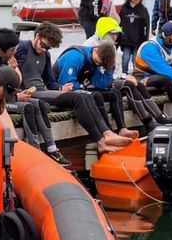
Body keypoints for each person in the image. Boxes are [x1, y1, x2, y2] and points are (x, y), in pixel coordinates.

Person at [14, 22, 131, 155]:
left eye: (49, 48)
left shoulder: (45, 55)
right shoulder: (23, 47)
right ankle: (101, 141)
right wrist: (15, 93)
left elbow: (50, 82)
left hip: (43, 90)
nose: (45, 49)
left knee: (87, 95)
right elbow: (7, 63)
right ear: (36, 36)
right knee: (78, 98)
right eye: (44, 45)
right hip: (30, 93)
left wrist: (61, 88)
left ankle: (107, 134)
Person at [0, 28, 70, 166]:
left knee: (38, 104)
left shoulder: (6, 60)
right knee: (28, 107)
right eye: (12, 50)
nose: (14, 53)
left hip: (7, 98)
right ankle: (34, 149)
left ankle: (51, 147)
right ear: (1, 50)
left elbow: (17, 82)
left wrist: (14, 68)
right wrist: (17, 97)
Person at [55, 42, 171, 136]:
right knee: (97, 95)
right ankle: (108, 133)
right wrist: (82, 87)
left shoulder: (96, 60)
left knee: (114, 94)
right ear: (95, 50)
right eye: (97, 61)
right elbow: (66, 84)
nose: (98, 64)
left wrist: (109, 68)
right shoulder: (75, 56)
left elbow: (100, 84)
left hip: (79, 88)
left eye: (100, 64)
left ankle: (122, 129)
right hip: (60, 90)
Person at [120, 0, 150, 73]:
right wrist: (118, 39)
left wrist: (146, 41)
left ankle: (135, 76)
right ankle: (124, 74)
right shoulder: (124, 8)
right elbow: (119, 24)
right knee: (125, 59)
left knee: (135, 60)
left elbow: (147, 26)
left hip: (138, 41)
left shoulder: (143, 10)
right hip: (126, 41)